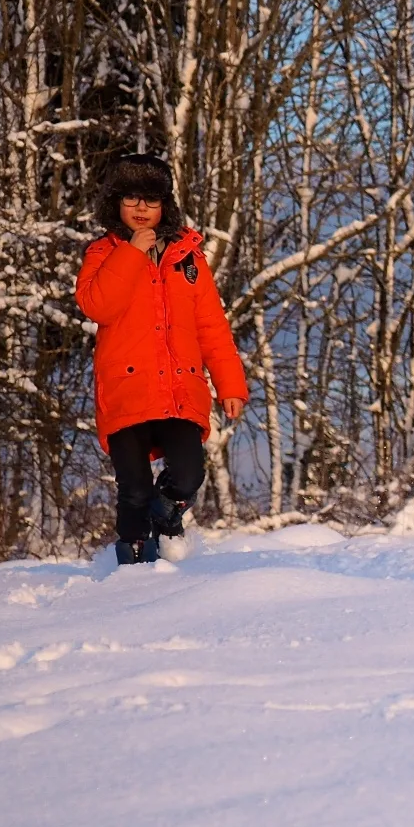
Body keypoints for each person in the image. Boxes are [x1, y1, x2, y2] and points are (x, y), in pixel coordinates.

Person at [76, 154, 249, 564]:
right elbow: (97, 306)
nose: (140, 209)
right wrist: (132, 253)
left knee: (189, 474)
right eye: (132, 199)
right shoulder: (102, 253)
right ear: (116, 203)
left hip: (178, 389)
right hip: (126, 390)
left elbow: (211, 327)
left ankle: (167, 513)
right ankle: (133, 560)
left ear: (164, 206)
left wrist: (231, 385)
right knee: (134, 488)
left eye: (150, 201)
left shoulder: (188, 258)